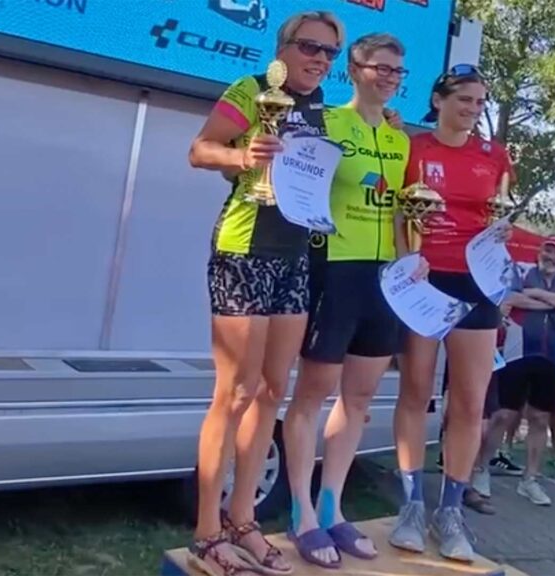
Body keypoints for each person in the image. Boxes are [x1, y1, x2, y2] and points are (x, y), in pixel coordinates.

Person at [186, 11, 342, 576]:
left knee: (273, 390)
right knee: (234, 392)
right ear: (284, 47)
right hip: (243, 250)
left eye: (329, 53)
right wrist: (240, 156)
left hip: (295, 257)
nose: (319, 59)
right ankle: (206, 533)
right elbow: (200, 149)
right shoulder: (253, 90)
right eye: (310, 47)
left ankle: (243, 517)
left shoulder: (326, 108)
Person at [281, 33, 411, 569]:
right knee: (312, 395)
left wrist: (411, 267)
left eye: (397, 71)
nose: (389, 77)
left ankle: (332, 507)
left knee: (358, 401)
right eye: (379, 68)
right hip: (333, 269)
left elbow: (406, 213)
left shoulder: (402, 141)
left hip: (384, 278)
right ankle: (301, 512)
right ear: (354, 70)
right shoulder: (327, 122)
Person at [388, 63, 514, 562]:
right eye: (464, 99)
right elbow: (401, 213)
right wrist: (405, 262)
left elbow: (497, 220)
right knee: (416, 391)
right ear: (439, 99)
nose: (472, 110)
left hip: (477, 285)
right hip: (425, 278)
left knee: (469, 401)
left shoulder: (496, 156)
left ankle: (451, 509)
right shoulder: (414, 148)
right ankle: (412, 504)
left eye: (480, 102)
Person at [479, 235, 555, 507]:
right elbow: (511, 297)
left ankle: (530, 479)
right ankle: (482, 470)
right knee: (503, 414)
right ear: (541, 250)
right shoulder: (521, 269)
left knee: (539, 418)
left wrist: (534, 295)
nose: (551, 256)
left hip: (553, 355)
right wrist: (553, 301)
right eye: (548, 250)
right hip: (518, 352)